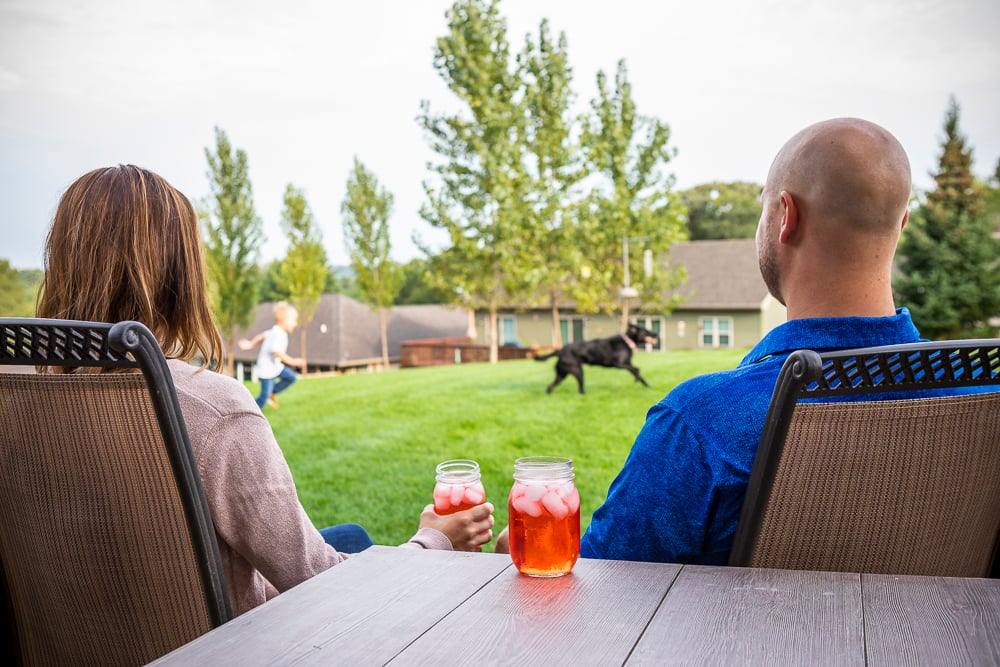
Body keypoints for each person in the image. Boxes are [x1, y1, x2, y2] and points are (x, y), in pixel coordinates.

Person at [36, 165, 496, 616]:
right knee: (349, 554)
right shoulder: (212, 410)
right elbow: (323, 583)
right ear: (181, 274)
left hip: (82, 635)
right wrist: (435, 541)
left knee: (352, 535)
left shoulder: (17, 393)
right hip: (216, 650)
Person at [575, 117, 951, 565]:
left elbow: (603, 586)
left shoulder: (701, 425)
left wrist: (517, 556)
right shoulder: (980, 396)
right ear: (902, 224)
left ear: (785, 217)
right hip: (926, 636)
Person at [238, 302, 304, 410]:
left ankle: (272, 392)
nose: (295, 324)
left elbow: (262, 336)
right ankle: (248, 411)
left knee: (291, 377)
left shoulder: (276, 330)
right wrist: (294, 361)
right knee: (263, 398)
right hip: (267, 370)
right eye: (293, 320)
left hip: (275, 367)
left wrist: (250, 344)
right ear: (284, 320)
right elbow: (276, 352)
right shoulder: (278, 334)